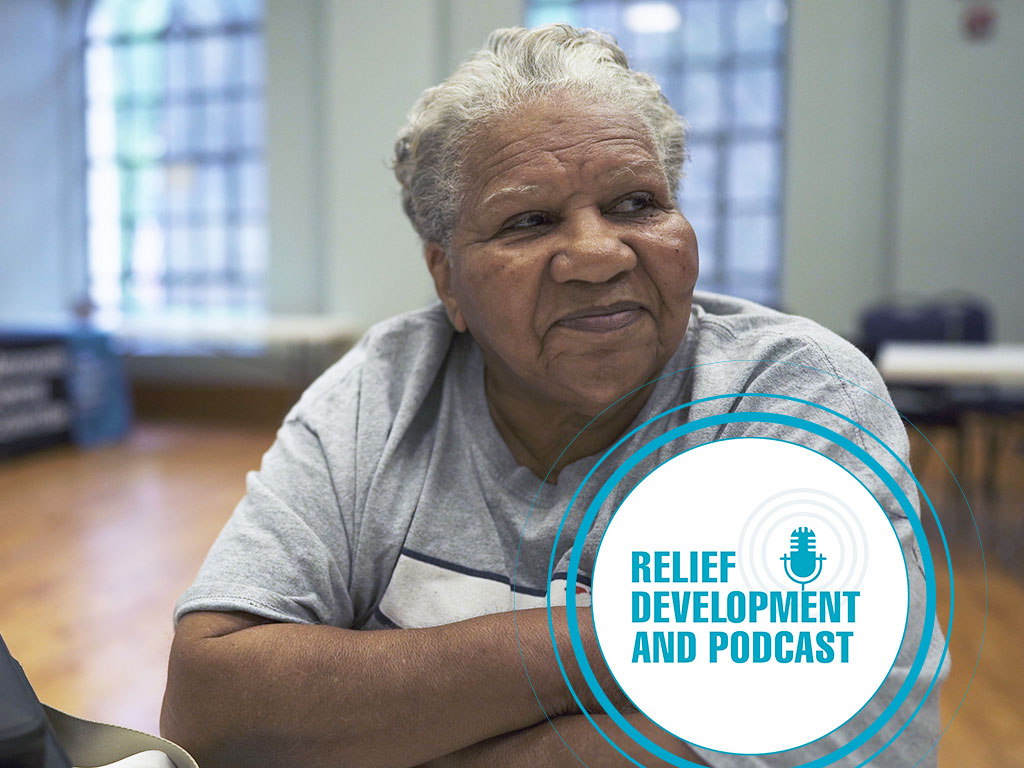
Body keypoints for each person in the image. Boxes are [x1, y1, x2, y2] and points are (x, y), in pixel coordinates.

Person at [161, 25, 945, 768]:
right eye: (528, 221)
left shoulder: (789, 391)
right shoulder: (384, 391)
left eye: (637, 203)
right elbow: (213, 707)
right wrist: (641, 636)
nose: (597, 254)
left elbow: (808, 737)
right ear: (447, 279)